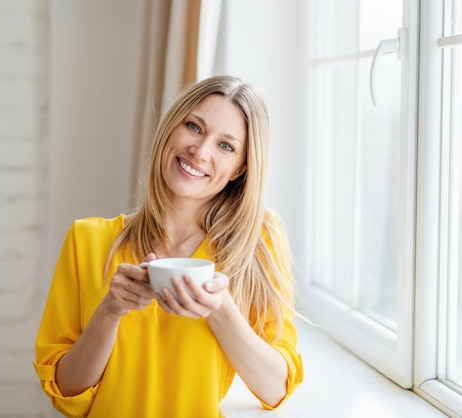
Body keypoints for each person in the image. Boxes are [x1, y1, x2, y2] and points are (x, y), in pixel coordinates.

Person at [33, 75, 303, 418]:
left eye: (226, 146)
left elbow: (275, 388)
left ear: (240, 170)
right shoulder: (87, 240)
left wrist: (221, 309)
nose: (200, 151)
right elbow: (65, 390)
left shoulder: (258, 243)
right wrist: (110, 311)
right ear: (171, 129)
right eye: (194, 126)